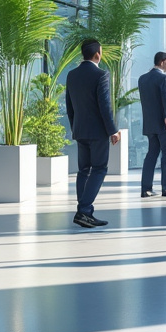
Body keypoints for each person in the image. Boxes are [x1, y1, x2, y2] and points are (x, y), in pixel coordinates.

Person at [64, 39, 121, 228]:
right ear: (98, 54)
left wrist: (75, 127)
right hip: (97, 132)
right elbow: (105, 106)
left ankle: (85, 213)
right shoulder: (101, 74)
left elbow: (69, 106)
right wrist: (113, 130)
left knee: (83, 170)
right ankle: (84, 210)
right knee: (99, 169)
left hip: (80, 129)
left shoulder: (72, 75)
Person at [137, 51, 166, 198]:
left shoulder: (142, 79)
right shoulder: (164, 78)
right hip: (164, 123)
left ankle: (146, 189)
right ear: (162, 62)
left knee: (151, 155)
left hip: (150, 123)